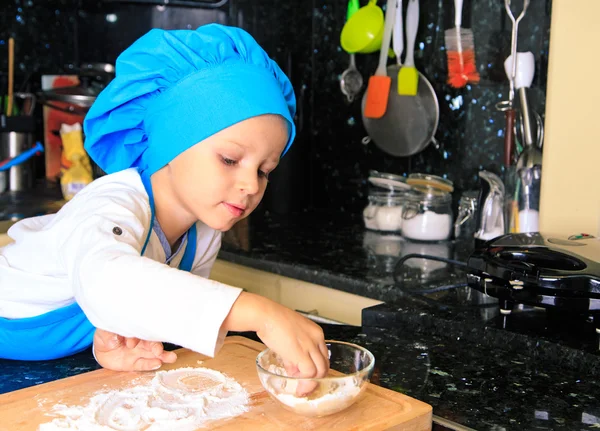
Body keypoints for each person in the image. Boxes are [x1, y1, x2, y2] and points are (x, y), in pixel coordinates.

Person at [0, 24, 329, 382]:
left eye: (265, 170)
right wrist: (256, 311)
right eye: (230, 160)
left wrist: (115, 340)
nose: (251, 184)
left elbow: (152, 304)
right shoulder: (113, 203)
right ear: (170, 145)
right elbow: (106, 280)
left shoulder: (201, 233)